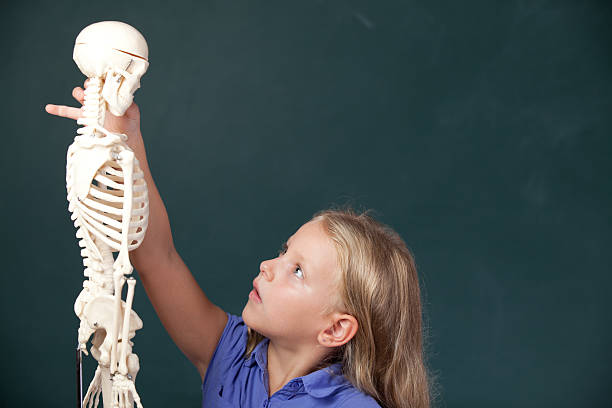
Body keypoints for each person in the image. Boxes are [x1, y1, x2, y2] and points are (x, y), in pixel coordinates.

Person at [46, 84, 432, 408]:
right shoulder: (231, 354)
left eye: (297, 270)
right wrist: (125, 140)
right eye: (284, 252)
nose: (268, 264)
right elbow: (156, 257)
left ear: (335, 329)